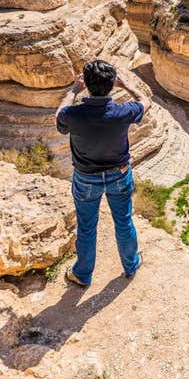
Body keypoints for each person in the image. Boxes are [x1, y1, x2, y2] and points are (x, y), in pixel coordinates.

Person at [55, 59, 152, 286]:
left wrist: (73, 91)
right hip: (119, 175)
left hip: (86, 179)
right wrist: (127, 85)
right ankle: (131, 265)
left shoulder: (74, 115)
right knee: (124, 221)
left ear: (86, 85)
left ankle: (82, 274)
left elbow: (59, 116)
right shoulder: (122, 112)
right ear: (111, 84)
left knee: (87, 227)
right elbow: (146, 102)